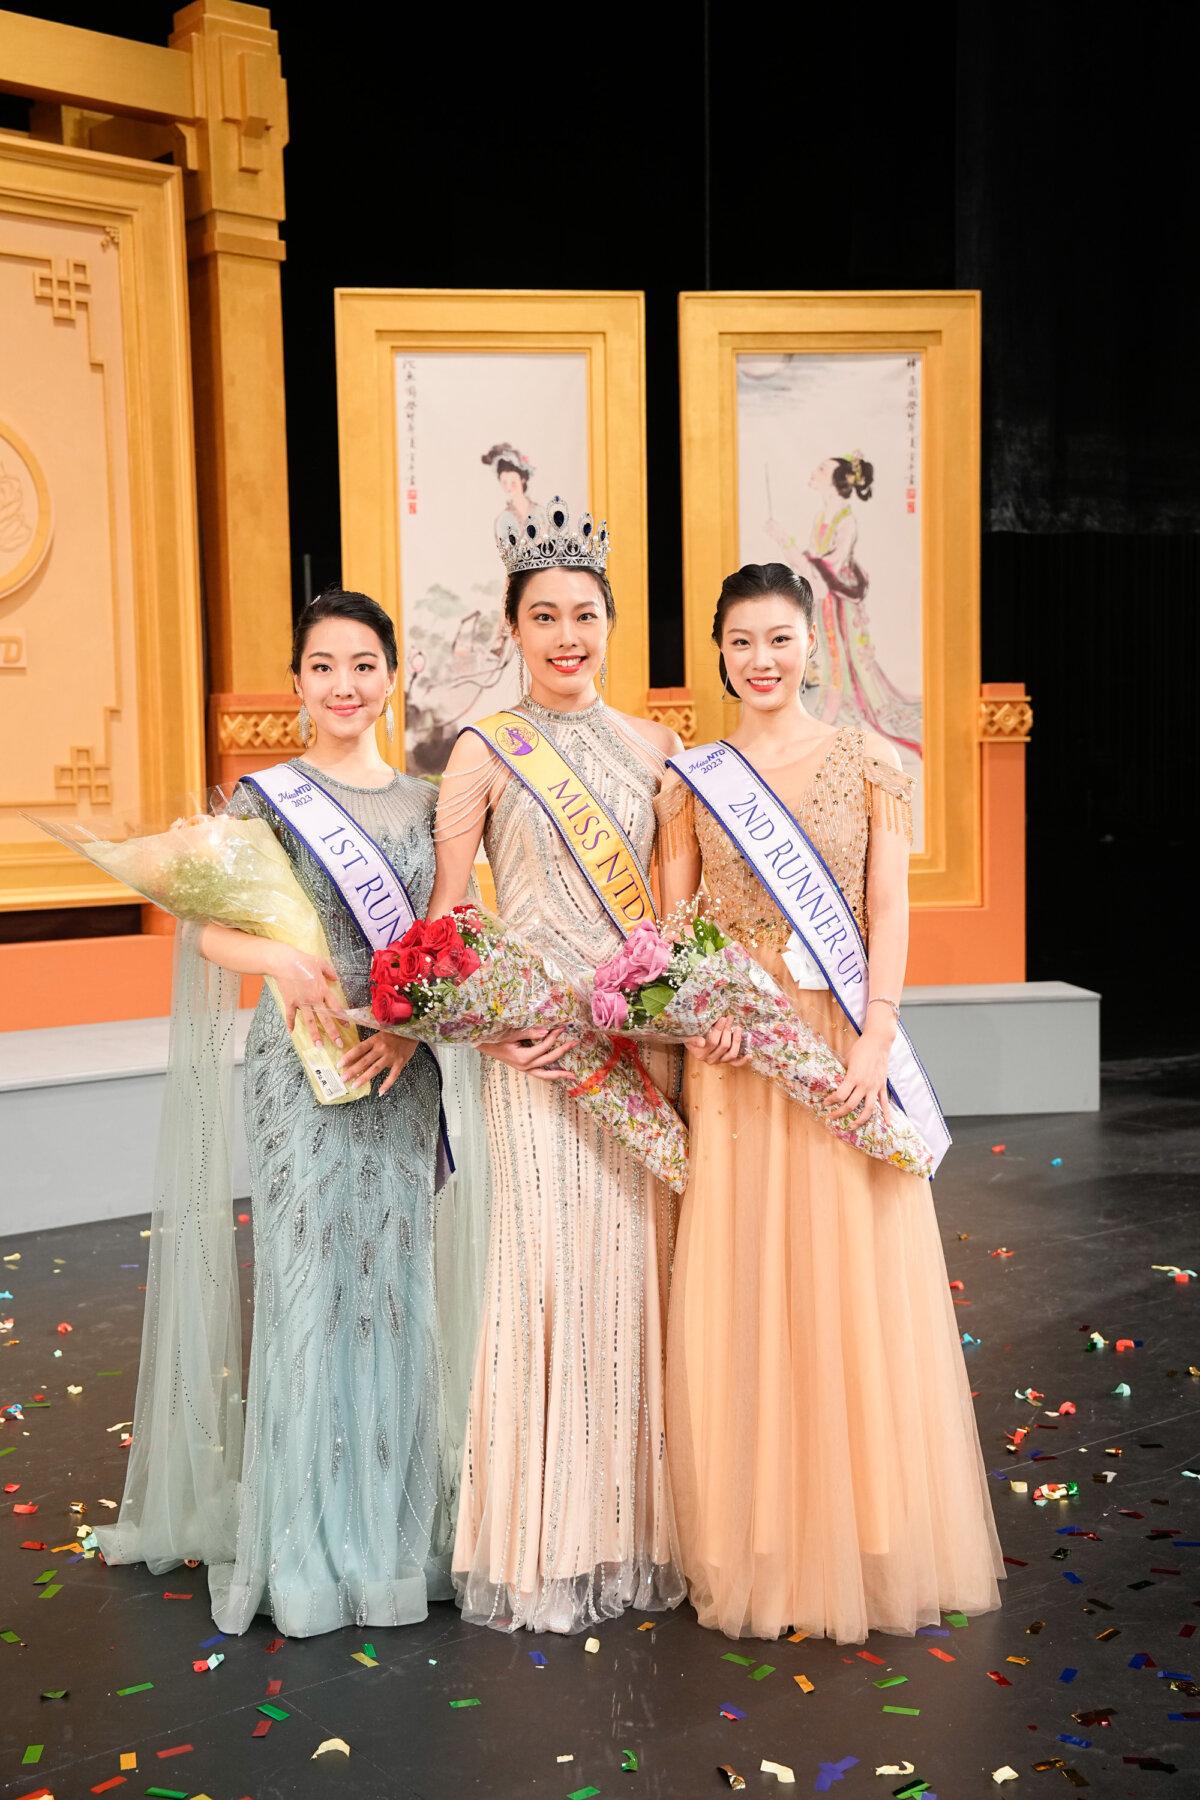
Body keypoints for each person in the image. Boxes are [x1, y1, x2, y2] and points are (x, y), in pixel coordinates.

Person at [97, 589, 489, 1637]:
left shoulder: (424, 801)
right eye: (324, 667)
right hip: (298, 1067)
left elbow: (453, 935)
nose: (346, 686)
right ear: (299, 682)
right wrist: (276, 957)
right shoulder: (265, 799)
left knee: (393, 1286)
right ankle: (307, 1541)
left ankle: (393, 1537)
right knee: (311, 1283)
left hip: (395, 1064)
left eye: (365, 664)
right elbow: (210, 931)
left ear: (392, 676)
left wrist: (413, 1031)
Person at [655, 561, 1003, 1643]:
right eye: (741, 642)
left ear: (814, 642)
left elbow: (885, 904)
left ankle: (866, 1528)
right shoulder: (694, 777)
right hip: (737, 1057)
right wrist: (694, 1009)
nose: (761, 660)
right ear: (719, 651)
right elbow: (677, 921)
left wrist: (879, 1030)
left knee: (849, 1278)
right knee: (748, 1276)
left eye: (780, 639)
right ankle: (757, 1530)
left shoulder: (872, 763)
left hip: (838, 1043)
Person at [428, 497, 685, 1633]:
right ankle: (545, 1537)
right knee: (545, 1280)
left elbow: (677, 929)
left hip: (630, 1052)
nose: (566, 634)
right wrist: (499, 1021)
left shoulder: (660, 751)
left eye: (585, 613)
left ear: (611, 622)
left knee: (637, 1283)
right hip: (534, 1055)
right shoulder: (481, 751)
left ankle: (634, 1527)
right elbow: (448, 929)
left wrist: (645, 1018)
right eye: (545, 616)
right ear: (512, 627)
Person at [769, 452, 922, 755]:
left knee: (842, 654)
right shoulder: (822, 515)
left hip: (840, 598)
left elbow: (826, 567)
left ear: (837, 480)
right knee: (828, 654)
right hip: (825, 596)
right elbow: (812, 566)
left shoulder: (846, 521)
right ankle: (828, 715)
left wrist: (784, 540)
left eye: (823, 468)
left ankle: (835, 713)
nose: (816, 470)